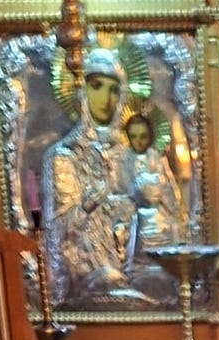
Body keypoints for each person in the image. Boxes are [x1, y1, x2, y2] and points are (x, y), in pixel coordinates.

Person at [41, 48, 142, 309]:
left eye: (113, 89)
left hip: (131, 264)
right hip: (85, 274)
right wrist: (86, 206)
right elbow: (57, 234)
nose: (106, 99)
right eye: (97, 86)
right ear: (82, 91)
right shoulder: (64, 156)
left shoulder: (131, 154)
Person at [117, 111, 188, 291]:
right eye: (134, 136)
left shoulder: (156, 158)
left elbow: (168, 188)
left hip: (159, 218)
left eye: (143, 136)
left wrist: (162, 193)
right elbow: (122, 190)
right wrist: (138, 189)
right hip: (136, 219)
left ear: (150, 136)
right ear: (128, 137)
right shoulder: (123, 161)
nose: (139, 141)